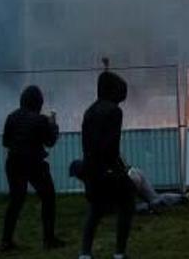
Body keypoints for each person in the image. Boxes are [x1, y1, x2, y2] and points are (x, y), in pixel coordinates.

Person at [79, 60, 135, 259]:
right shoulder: (114, 111)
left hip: (91, 169)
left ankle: (85, 254)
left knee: (95, 209)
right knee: (128, 202)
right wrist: (118, 168)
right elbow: (111, 145)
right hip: (107, 169)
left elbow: (89, 143)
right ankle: (119, 253)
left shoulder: (89, 111)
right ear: (113, 91)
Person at [0, 85, 64, 252]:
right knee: (48, 198)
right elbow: (50, 142)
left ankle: (6, 241)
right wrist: (53, 126)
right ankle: (49, 239)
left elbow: (5, 142)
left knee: (15, 201)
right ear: (38, 102)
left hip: (13, 162)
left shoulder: (11, 117)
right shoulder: (40, 119)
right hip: (34, 163)